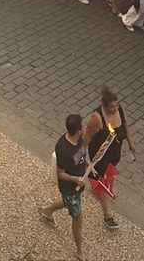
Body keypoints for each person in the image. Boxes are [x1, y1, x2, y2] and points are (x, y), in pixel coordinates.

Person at [83, 86, 135, 231]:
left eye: (116, 105)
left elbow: (124, 124)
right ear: (104, 106)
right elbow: (87, 136)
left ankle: (100, 190)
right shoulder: (97, 117)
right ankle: (107, 215)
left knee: (108, 175)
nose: (115, 108)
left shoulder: (118, 110)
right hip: (100, 155)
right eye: (112, 106)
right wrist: (81, 155)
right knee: (101, 179)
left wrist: (130, 142)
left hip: (113, 154)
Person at [39, 114, 88, 261]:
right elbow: (60, 174)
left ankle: (48, 210)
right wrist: (76, 179)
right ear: (78, 130)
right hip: (70, 188)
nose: (85, 126)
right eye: (82, 125)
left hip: (78, 185)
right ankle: (80, 251)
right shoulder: (63, 148)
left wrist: (87, 167)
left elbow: (81, 157)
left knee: (68, 203)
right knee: (77, 217)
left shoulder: (78, 140)